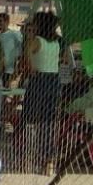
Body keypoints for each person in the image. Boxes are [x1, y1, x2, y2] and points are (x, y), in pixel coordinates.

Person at [21, 11, 62, 172]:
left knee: (31, 119)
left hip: (39, 79)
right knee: (49, 121)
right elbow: (60, 59)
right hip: (53, 81)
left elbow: (27, 57)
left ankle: (29, 158)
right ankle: (49, 160)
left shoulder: (36, 40)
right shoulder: (56, 42)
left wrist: (31, 67)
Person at [0, 13, 22, 88]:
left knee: (7, 88)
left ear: (7, 22)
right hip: (0, 68)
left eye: (0, 21)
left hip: (10, 68)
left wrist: (16, 64)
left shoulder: (14, 34)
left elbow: (19, 50)